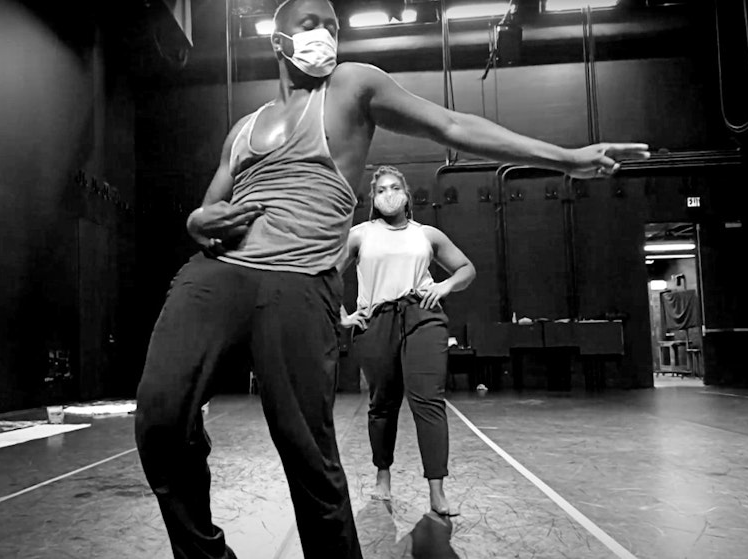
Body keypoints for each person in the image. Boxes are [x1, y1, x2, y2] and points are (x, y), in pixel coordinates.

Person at [133, 0, 649, 557]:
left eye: (333, 26)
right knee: (160, 419)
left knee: (307, 456)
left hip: (299, 281)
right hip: (222, 272)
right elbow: (209, 212)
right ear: (278, 41)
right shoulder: (243, 130)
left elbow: (451, 124)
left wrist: (566, 158)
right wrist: (195, 221)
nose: (326, 35)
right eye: (311, 24)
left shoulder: (352, 86)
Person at [337, 165, 474, 519]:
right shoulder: (360, 235)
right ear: (373, 199)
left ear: (406, 194)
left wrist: (445, 285)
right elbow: (325, 273)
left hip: (422, 316)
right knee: (382, 403)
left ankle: (437, 490)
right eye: (381, 190)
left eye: (394, 188)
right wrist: (342, 316)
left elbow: (466, 269)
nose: (388, 194)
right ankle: (382, 476)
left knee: (428, 401)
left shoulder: (425, 234)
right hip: (376, 320)